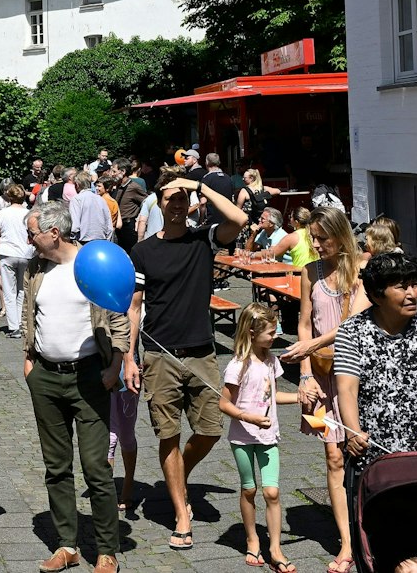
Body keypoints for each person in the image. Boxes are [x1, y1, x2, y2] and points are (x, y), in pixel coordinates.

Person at [123, 171, 248, 551]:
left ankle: (179, 473)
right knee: (168, 435)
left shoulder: (202, 240)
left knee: (210, 429)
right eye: (170, 198)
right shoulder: (143, 252)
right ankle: (181, 514)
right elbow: (134, 307)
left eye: (182, 198)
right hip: (159, 355)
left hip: (202, 353)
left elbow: (240, 219)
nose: (177, 205)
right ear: (159, 203)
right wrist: (129, 357)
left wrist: (200, 187)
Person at [21, 199, 129, 573]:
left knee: (96, 467)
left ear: (54, 233)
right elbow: (29, 313)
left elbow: (119, 316)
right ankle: (67, 545)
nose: (29, 240)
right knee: (56, 466)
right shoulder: (36, 267)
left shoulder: (92, 263)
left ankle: (107, 550)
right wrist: (29, 360)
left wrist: (116, 363)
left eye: (32, 233)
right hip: (45, 377)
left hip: (89, 377)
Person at [280, 205, 367, 573]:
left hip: (356, 378)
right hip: (320, 379)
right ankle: (346, 543)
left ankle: (367, 530)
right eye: (312, 238)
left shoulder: (360, 270)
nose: (315, 245)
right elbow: (304, 324)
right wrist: (305, 374)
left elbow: (356, 323)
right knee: (332, 456)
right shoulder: (309, 271)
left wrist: (311, 346)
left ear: (340, 234)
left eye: (322, 238)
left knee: (359, 454)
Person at [334, 251, 417, 471]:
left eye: (414, 284)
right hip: (374, 456)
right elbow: (347, 388)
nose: (412, 294)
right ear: (377, 296)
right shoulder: (351, 331)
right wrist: (353, 432)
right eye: (402, 287)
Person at [221, 303, 301, 573]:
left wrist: (299, 397)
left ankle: (275, 549)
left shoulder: (271, 362)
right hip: (242, 437)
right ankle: (252, 538)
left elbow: (273, 396)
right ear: (252, 333)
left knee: (272, 491)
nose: (276, 335)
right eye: (271, 332)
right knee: (249, 489)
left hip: (268, 435)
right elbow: (224, 403)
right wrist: (248, 418)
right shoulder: (237, 366)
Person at [0, 184, 35, 336]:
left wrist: (2, 240)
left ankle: (14, 326)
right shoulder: (29, 213)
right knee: (22, 289)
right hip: (26, 253)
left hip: (7, 253)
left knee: (9, 290)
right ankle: (21, 322)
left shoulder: (3, 213)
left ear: (9, 197)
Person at [69, 170, 115, 245]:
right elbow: (109, 226)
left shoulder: (77, 199)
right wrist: (107, 241)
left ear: (77, 184)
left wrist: (71, 240)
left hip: (83, 241)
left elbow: (75, 226)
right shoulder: (101, 199)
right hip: (102, 241)